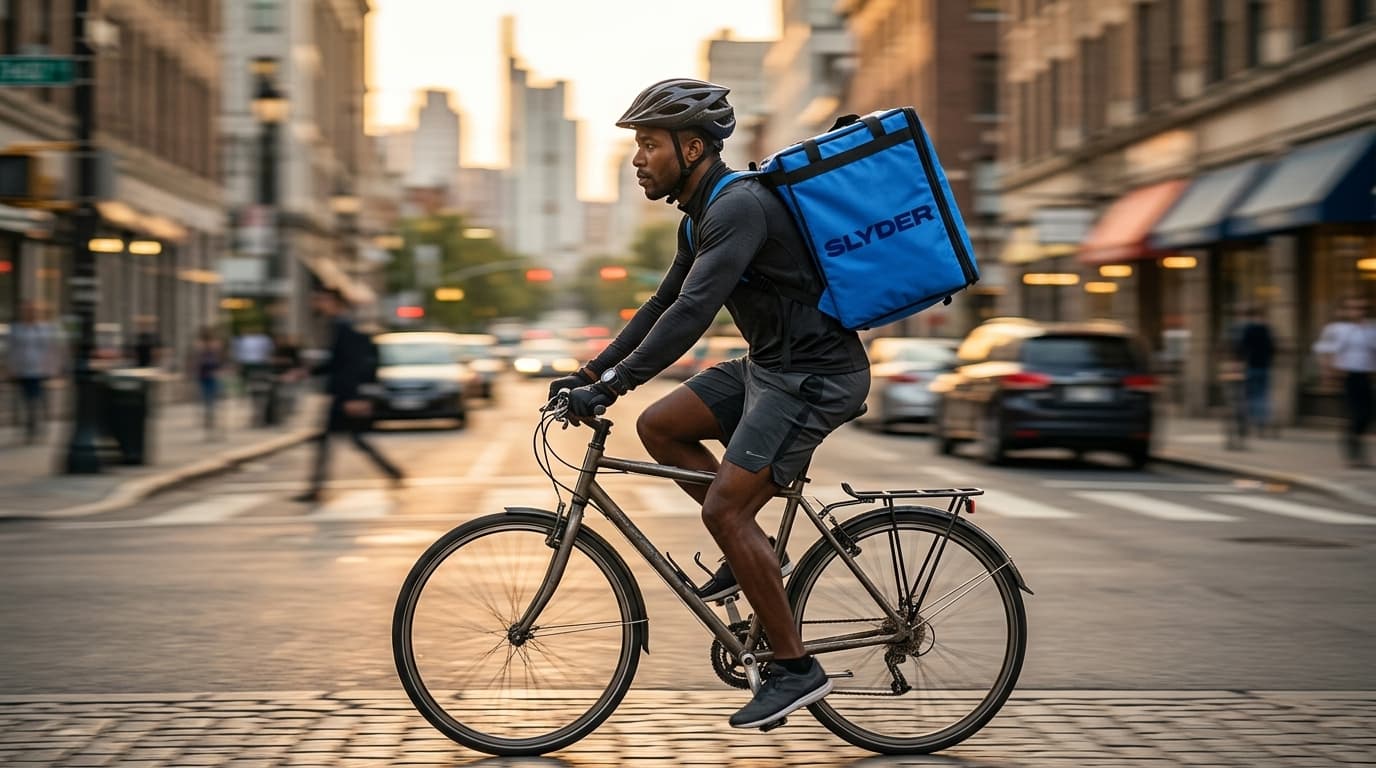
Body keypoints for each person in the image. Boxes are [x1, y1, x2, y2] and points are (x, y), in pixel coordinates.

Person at [547, 78, 870, 730]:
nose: (638, 159)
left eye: (648, 144)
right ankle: (757, 549)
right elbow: (661, 304)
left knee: (724, 508)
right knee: (661, 426)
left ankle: (794, 669)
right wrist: (591, 370)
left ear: (692, 148)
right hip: (770, 368)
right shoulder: (700, 216)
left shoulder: (738, 208)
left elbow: (693, 313)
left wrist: (611, 386)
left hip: (815, 376)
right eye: (637, 146)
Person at [293, 287, 403, 503]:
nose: (317, 304)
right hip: (343, 393)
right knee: (350, 439)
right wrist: (307, 372)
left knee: (335, 441)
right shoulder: (338, 325)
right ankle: (392, 472)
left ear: (334, 302)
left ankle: (316, 489)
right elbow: (337, 363)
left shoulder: (345, 326)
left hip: (345, 395)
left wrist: (355, 397)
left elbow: (352, 364)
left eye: (321, 300)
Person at [1313, 297, 1376, 468]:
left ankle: (1357, 450)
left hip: (1367, 376)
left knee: (1368, 415)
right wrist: (1327, 373)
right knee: (1355, 415)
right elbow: (1324, 351)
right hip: (1347, 377)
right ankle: (1353, 455)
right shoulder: (1337, 329)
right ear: (1345, 311)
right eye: (1353, 308)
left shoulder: (1371, 329)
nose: (1358, 312)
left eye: (1361, 308)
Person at [5, 300, 62, 443]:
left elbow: (51, 349)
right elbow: (11, 350)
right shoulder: (16, 329)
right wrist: (10, 367)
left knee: (37, 398)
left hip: (39, 369)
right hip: (22, 369)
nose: (29, 313)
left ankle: (37, 425)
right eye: (26, 311)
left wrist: (52, 367)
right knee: (25, 399)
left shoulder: (45, 328)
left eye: (32, 311)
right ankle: (30, 425)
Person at [1232, 303, 1276, 439]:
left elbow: (1241, 348)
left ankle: (1249, 424)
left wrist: (1238, 363)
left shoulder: (1248, 329)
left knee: (1250, 397)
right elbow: (1272, 349)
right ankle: (1261, 425)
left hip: (1251, 367)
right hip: (1264, 367)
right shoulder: (1266, 329)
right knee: (1262, 396)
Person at [190, 325, 226, 439]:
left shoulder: (208, 346)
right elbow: (220, 361)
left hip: (208, 376)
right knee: (212, 403)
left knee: (210, 403)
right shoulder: (204, 346)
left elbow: (197, 362)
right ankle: (212, 426)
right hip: (209, 376)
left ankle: (212, 426)